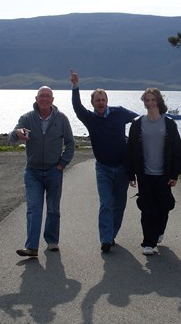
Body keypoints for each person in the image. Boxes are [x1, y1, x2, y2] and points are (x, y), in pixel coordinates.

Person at [70, 70, 138, 252]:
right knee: (106, 203)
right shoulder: (90, 119)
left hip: (122, 168)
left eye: (103, 100)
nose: (100, 103)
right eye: (97, 100)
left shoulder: (120, 113)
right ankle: (105, 239)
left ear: (107, 101)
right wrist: (76, 87)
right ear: (92, 103)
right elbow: (77, 108)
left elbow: (139, 120)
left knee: (120, 205)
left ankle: (112, 235)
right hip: (103, 169)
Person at [9, 86, 74, 257]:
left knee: (53, 209)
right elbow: (11, 138)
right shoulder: (27, 118)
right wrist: (17, 133)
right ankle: (31, 247)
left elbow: (70, 143)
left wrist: (62, 164)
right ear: (36, 99)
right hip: (33, 173)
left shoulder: (61, 119)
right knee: (34, 208)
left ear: (52, 100)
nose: (44, 99)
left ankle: (52, 241)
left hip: (54, 172)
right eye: (41, 96)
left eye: (47, 96)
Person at [125, 88, 181, 256]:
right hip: (145, 174)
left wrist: (175, 174)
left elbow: (177, 150)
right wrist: (131, 174)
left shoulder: (169, 124)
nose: (150, 103)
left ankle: (159, 231)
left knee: (164, 206)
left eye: (153, 100)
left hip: (164, 174)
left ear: (158, 101)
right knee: (147, 208)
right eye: (147, 100)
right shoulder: (137, 124)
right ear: (144, 102)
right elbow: (130, 150)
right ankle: (148, 242)